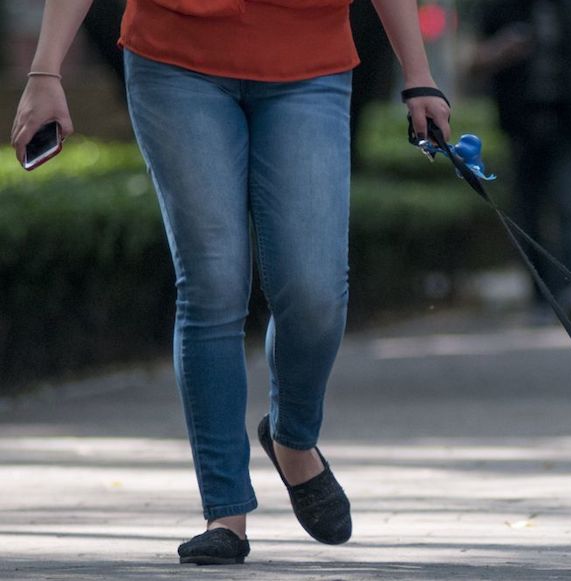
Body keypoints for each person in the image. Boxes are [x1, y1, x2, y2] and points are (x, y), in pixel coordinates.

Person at [10, 0, 450, 565]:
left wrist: (419, 76)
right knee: (212, 282)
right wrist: (45, 70)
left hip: (309, 61)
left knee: (315, 294)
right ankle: (226, 515)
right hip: (174, 59)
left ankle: (292, 436)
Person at [467, 0, 571, 322]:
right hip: (522, 124)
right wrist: (500, 50)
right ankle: (543, 296)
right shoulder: (497, 8)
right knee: (529, 212)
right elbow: (470, 60)